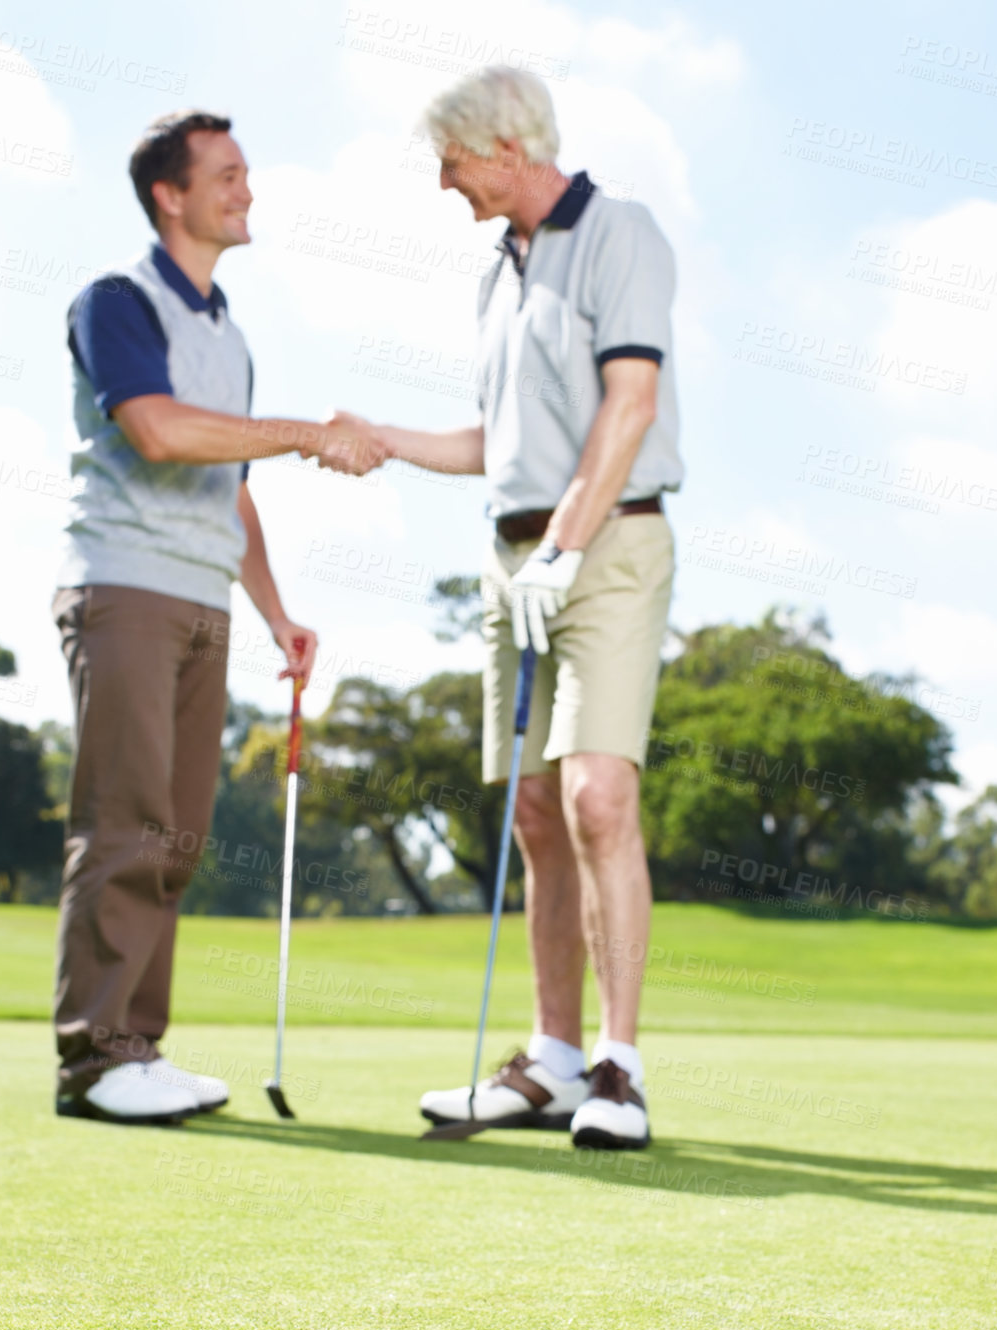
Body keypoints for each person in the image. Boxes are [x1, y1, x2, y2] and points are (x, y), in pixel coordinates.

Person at [371, 67, 682, 1150]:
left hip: (607, 545)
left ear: (504, 146)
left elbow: (628, 406)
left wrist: (563, 545)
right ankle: (549, 1059)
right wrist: (382, 440)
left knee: (598, 797)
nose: (445, 181)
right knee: (538, 815)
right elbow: (491, 447)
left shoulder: (620, 235)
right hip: (515, 562)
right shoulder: (492, 274)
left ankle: (617, 1067)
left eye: (450, 161)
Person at [53, 109, 383, 1124]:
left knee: (177, 835)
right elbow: (156, 431)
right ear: (171, 194)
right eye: (228, 176)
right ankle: (96, 1060)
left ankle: (135, 1050)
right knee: (126, 821)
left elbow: (228, 487)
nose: (247, 191)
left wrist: (276, 614)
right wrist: (304, 433)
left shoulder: (227, 334)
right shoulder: (117, 300)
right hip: (125, 587)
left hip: (201, 599)